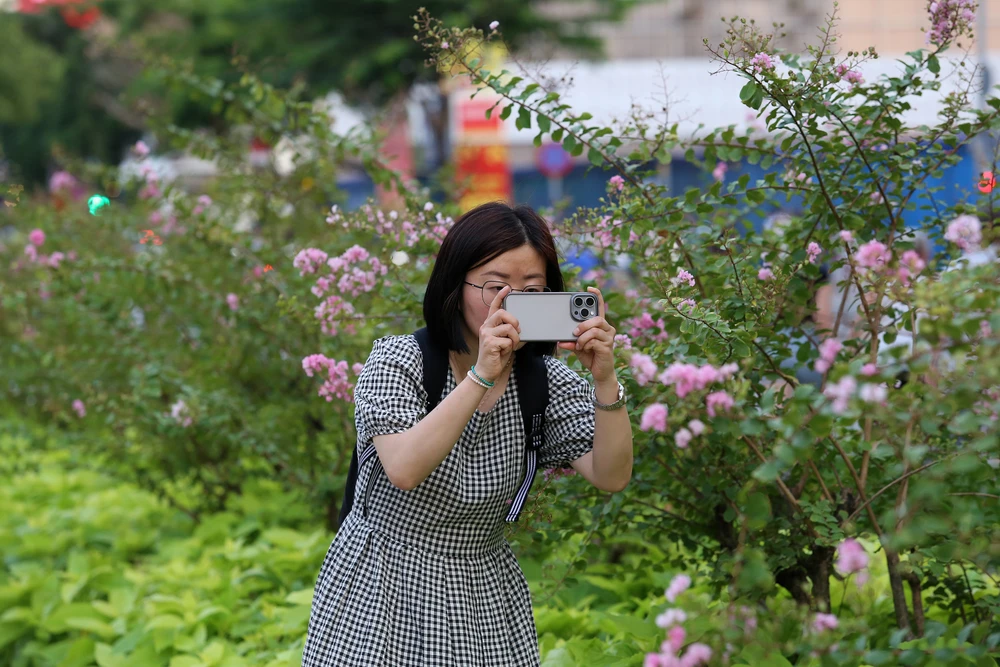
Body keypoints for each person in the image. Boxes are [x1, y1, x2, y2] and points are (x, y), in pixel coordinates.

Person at [301, 202, 634, 667]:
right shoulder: (398, 361)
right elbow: (404, 468)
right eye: (496, 287)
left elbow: (612, 474)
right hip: (382, 589)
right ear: (455, 285)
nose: (509, 303)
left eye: (532, 290)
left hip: (484, 594)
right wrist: (481, 374)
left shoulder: (543, 382)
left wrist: (604, 380)